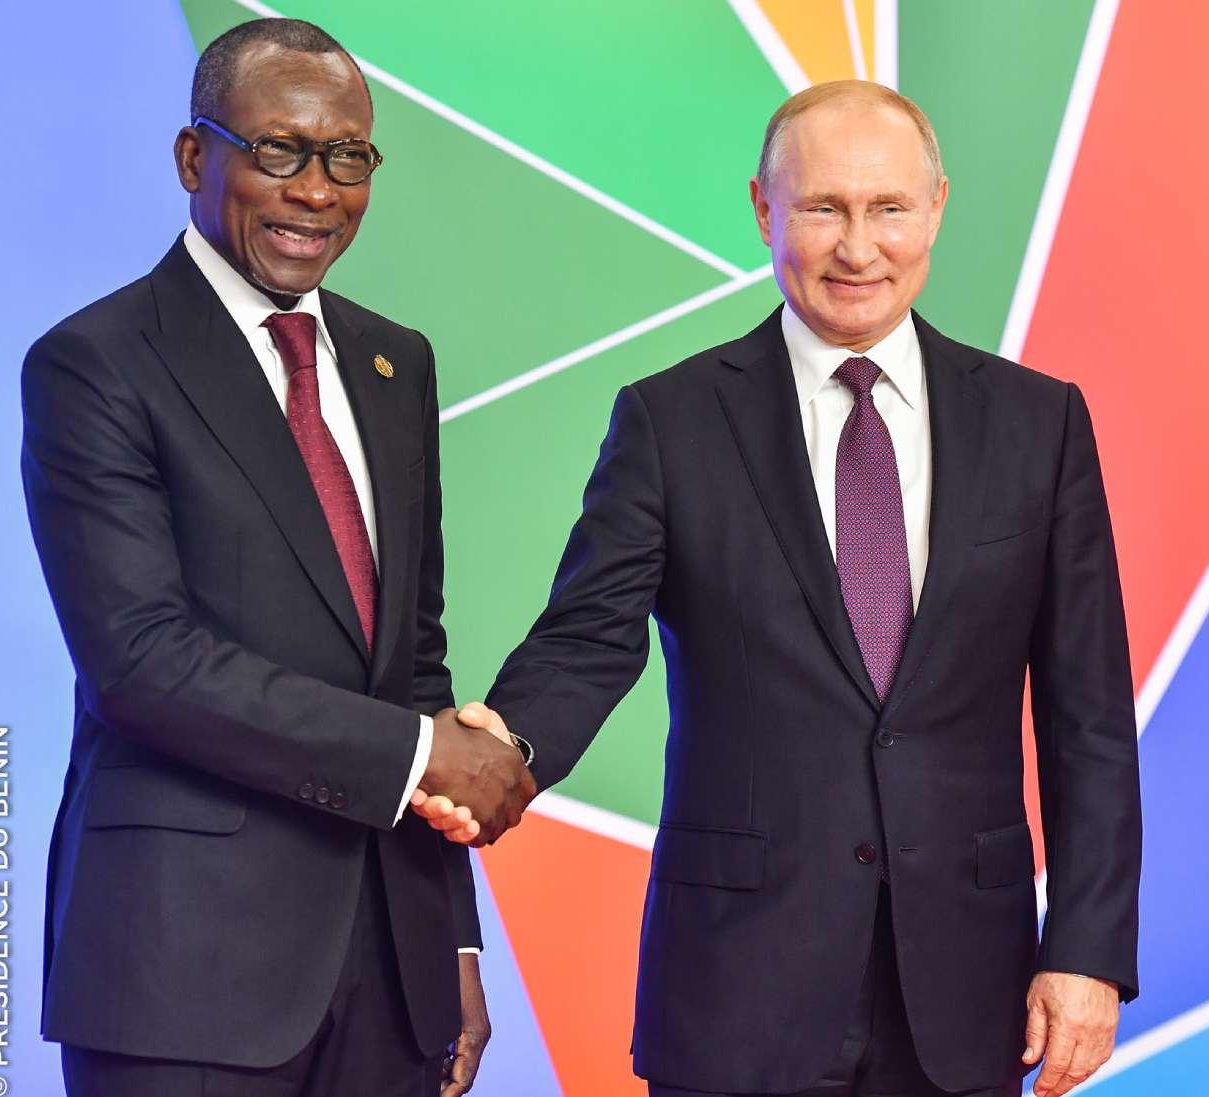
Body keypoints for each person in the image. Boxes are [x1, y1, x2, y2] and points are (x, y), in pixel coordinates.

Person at [420, 81, 1142, 1097]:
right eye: (823, 208)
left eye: (889, 208)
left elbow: (1089, 717)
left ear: (937, 206)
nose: (859, 246)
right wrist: (505, 752)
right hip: (738, 985)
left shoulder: (1040, 424)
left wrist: (1088, 950)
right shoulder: (672, 421)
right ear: (764, 209)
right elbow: (588, 639)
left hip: (969, 991)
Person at [20, 18, 534, 1097]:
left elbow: (413, 664)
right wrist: (421, 755)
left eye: (348, 157)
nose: (316, 190)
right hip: (182, 971)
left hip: (390, 971)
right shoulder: (95, 364)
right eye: (279, 150)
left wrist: (451, 937)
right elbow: (141, 663)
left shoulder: (396, 364)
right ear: (193, 157)